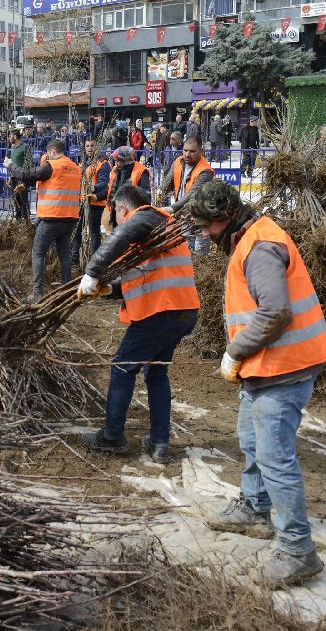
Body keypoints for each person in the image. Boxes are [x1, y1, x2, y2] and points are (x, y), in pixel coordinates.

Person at [191, 180, 326, 587]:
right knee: (251, 440)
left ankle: (297, 549)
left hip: (284, 367)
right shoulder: (250, 237)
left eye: (207, 226)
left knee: (275, 457)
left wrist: (236, 351)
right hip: (266, 365)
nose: (204, 234)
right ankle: (254, 507)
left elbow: (275, 312)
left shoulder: (261, 248)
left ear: (226, 218)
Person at [77, 183, 200, 461]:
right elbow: (144, 277)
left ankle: (112, 436)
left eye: (117, 217)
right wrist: (108, 289)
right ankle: (159, 443)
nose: (117, 224)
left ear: (123, 209)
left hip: (161, 312)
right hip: (181, 311)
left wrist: (92, 272)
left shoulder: (145, 216)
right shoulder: (157, 228)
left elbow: (122, 233)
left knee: (122, 368)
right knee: (156, 373)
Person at [4, 139, 81, 302]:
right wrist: (27, 184)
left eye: (48, 154)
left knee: (38, 253)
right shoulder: (75, 168)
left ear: (52, 152)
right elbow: (51, 182)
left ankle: (37, 293)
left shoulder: (52, 165)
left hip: (51, 218)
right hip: (70, 218)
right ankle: (66, 289)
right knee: (65, 255)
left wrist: (10, 165)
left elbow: (25, 174)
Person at [162, 137, 214, 253]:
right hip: (183, 215)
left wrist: (172, 208)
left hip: (201, 217)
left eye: (192, 151)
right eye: (185, 150)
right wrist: (162, 190)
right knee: (185, 251)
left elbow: (192, 194)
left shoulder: (205, 171)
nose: (187, 154)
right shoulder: (178, 162)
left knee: (200, 254)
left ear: (201, 151)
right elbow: (166, 184)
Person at [71, 138, 111, 264]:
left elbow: (103, 183)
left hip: (95, 202)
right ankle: (74, 257)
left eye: (92, 145)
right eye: (87, 145)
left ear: (97, 147)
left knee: (94, 232)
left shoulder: (103, 164)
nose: (89, 148)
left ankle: (94, 260)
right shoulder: (84, 163)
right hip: (83, 201)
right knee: (77, 230)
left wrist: (93, 188)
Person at [102, 147, 150, 232]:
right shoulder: (116, 170)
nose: (115, 163)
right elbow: (110, 190)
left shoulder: (141, 171)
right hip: (116, 213)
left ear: (126, 161)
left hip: (132, 217)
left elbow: (146, 196)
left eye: (118, 161)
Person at [8, 129, 34, 222]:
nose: (9, 138)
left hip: (22, 177)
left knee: (23, 199)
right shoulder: (13, 147)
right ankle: (18, 217)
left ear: (15, 136)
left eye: (10, 135)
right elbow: (12, 163)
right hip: (14, 177)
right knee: (16, 198)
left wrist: (26, 178)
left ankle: (27, 219)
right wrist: (10, 177)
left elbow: (29, 162)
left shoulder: (25, 147)